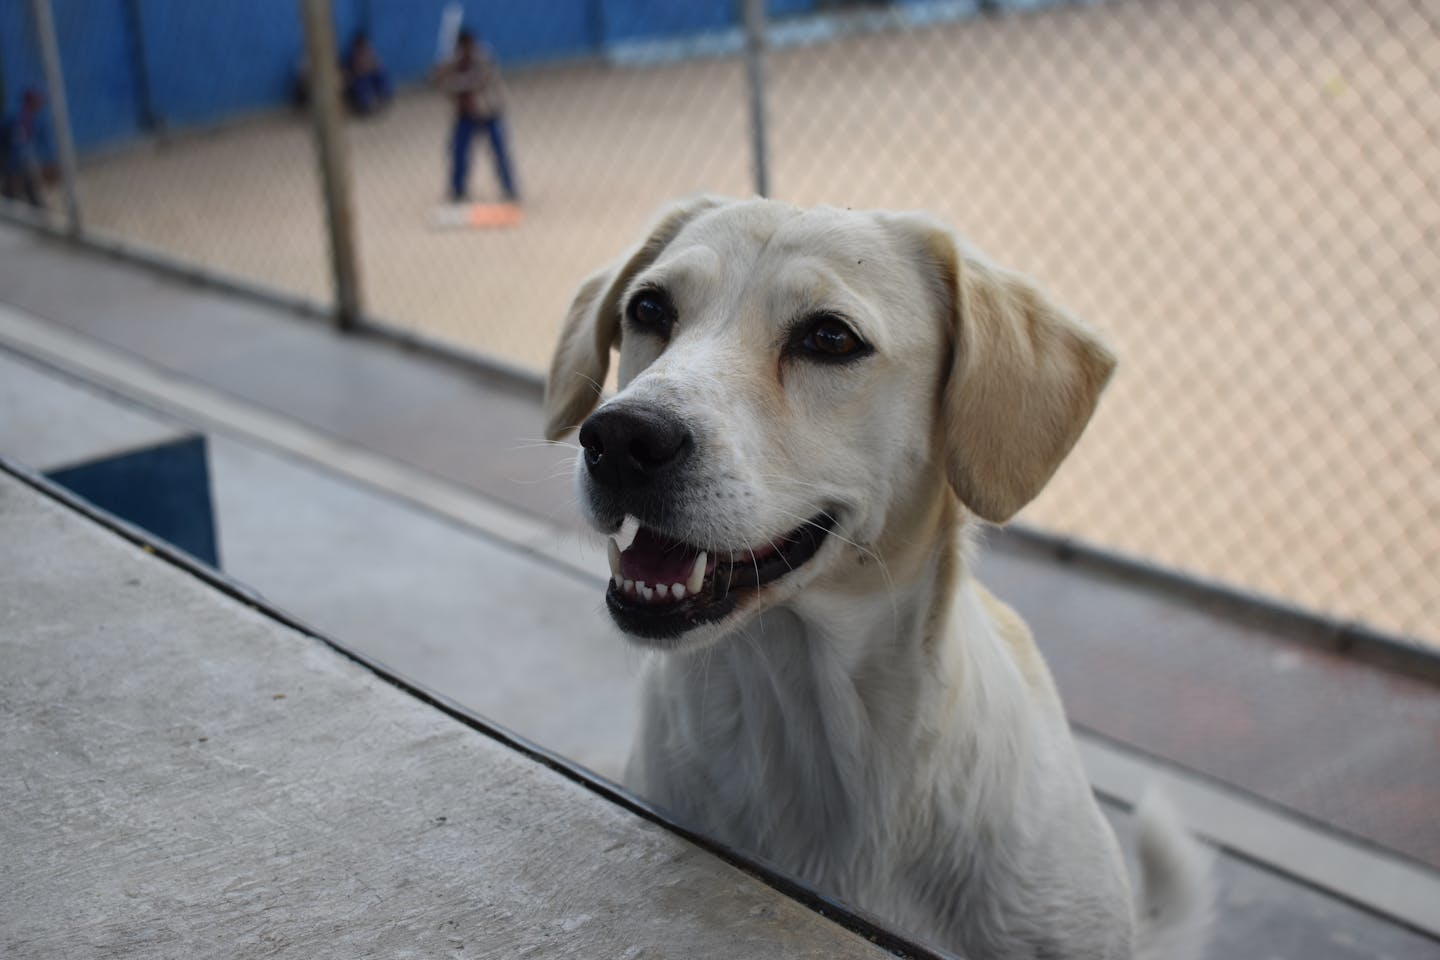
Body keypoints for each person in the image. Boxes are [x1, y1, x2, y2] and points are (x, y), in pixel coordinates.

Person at [431, 29, 518, 205]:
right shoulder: (452, 62)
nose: (468, 51)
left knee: (499, 151)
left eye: (470, 46)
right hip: (466, 115)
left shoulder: (484, 58)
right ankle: (458, 190)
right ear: (459, 48)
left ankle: (509, 189)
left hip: (489, 111)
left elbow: (478, 81)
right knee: (458, 152)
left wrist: (450, 80)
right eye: (464, 48)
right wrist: (438, 74)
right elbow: (437, 83)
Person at [0, 88, 54, 209]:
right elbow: (14, 148)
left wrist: (47, 162)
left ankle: (38, 210)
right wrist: (12, 169)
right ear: (30, 102)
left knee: (29, 188)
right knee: (12, 189)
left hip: (22, 163)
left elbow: (39, 145)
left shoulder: (34, 119)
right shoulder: (15, 119)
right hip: (9, 162)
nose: (40, 104)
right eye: (38, 101)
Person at [342, 31, 391, 116]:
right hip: (358, 82)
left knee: (380, 75)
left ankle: (383, 98)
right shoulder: (351, 58)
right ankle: (367, 106)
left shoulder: (369, 55)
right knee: (362, 82)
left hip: (368, 77)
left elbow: (377, 66)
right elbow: (349, 75)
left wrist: (373, 65)